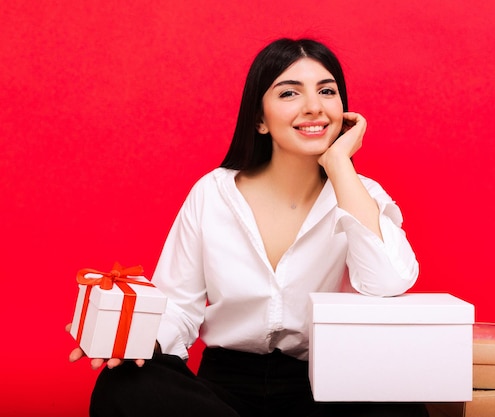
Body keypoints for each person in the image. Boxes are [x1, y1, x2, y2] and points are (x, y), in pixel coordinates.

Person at [68, 38, 428, 417]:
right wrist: (131, 341)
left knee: (396, 399)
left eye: (327, 91)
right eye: (289, 93)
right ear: (259, 119)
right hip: (223, 395)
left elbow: (388, 281)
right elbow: (178, 306)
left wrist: (339, 162)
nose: (314, 107)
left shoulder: (359, 194)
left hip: (319, 391)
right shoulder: (213, 192)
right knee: (125, 384)